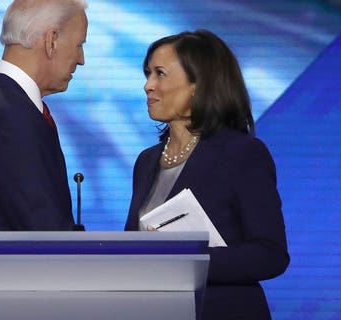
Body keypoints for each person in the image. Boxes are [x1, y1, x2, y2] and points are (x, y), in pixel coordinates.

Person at [124, 30, 290, 319]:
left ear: (198, 85)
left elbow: (270, 254)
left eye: (160, 74)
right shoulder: (147, 161)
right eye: (148, 73)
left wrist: (186, 258)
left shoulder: (241, 154)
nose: (148, 85)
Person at [0, 0, 88, 234]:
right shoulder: (8, 117)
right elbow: (47, 235)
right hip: (16, 271)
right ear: (51, 41)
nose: (81, 59)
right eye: (79, 45)